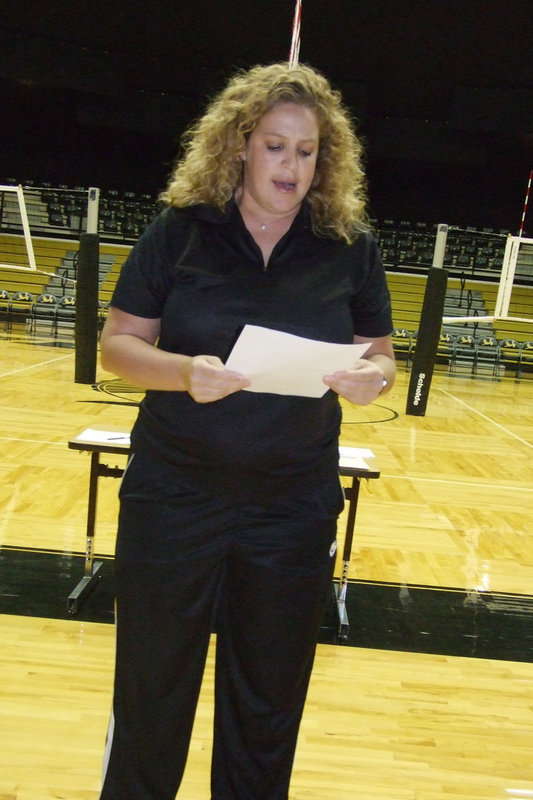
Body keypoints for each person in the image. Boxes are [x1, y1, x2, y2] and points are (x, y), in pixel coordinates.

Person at [98, 61, 396, 800]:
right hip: (174, 498)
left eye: (306, 150)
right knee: (151, 692)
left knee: (266, 701)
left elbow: (381, 356)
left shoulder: (347, 245)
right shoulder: (181, 230)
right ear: (238, 145)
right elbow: (118, 345)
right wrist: (182, 372)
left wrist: (372, 379)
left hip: (289, 509)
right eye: (275, 146)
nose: (291, 165)